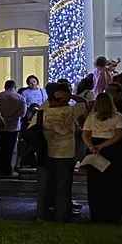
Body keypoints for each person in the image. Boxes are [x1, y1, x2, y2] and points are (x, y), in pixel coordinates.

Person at [34, 83, 88, 221]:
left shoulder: (41, 113)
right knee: (63, 187)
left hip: (46, 154)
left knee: (44, 188)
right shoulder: (70, 111)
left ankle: (42, 214)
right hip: (66, 154)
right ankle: (62, 215)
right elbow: (84, 103)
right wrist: (71, 96)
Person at [82, 93, 122, 223]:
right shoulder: (118, 117)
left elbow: (85, 134)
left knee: (94, 183)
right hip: (111, 149)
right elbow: (119, 134)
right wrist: (103, 146)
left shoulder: (91, 118)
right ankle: (112, 213)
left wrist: (92, 147)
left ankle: (96, 213)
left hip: (93, 147)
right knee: (113, 183)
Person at [0, 80, 27, 177]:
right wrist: (10, 118)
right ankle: (7, 169)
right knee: (10, 149)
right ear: (14, 87)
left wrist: (3, 119)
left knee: (0, 149)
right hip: (13, 127)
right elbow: (22, 112)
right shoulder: (20, 98)